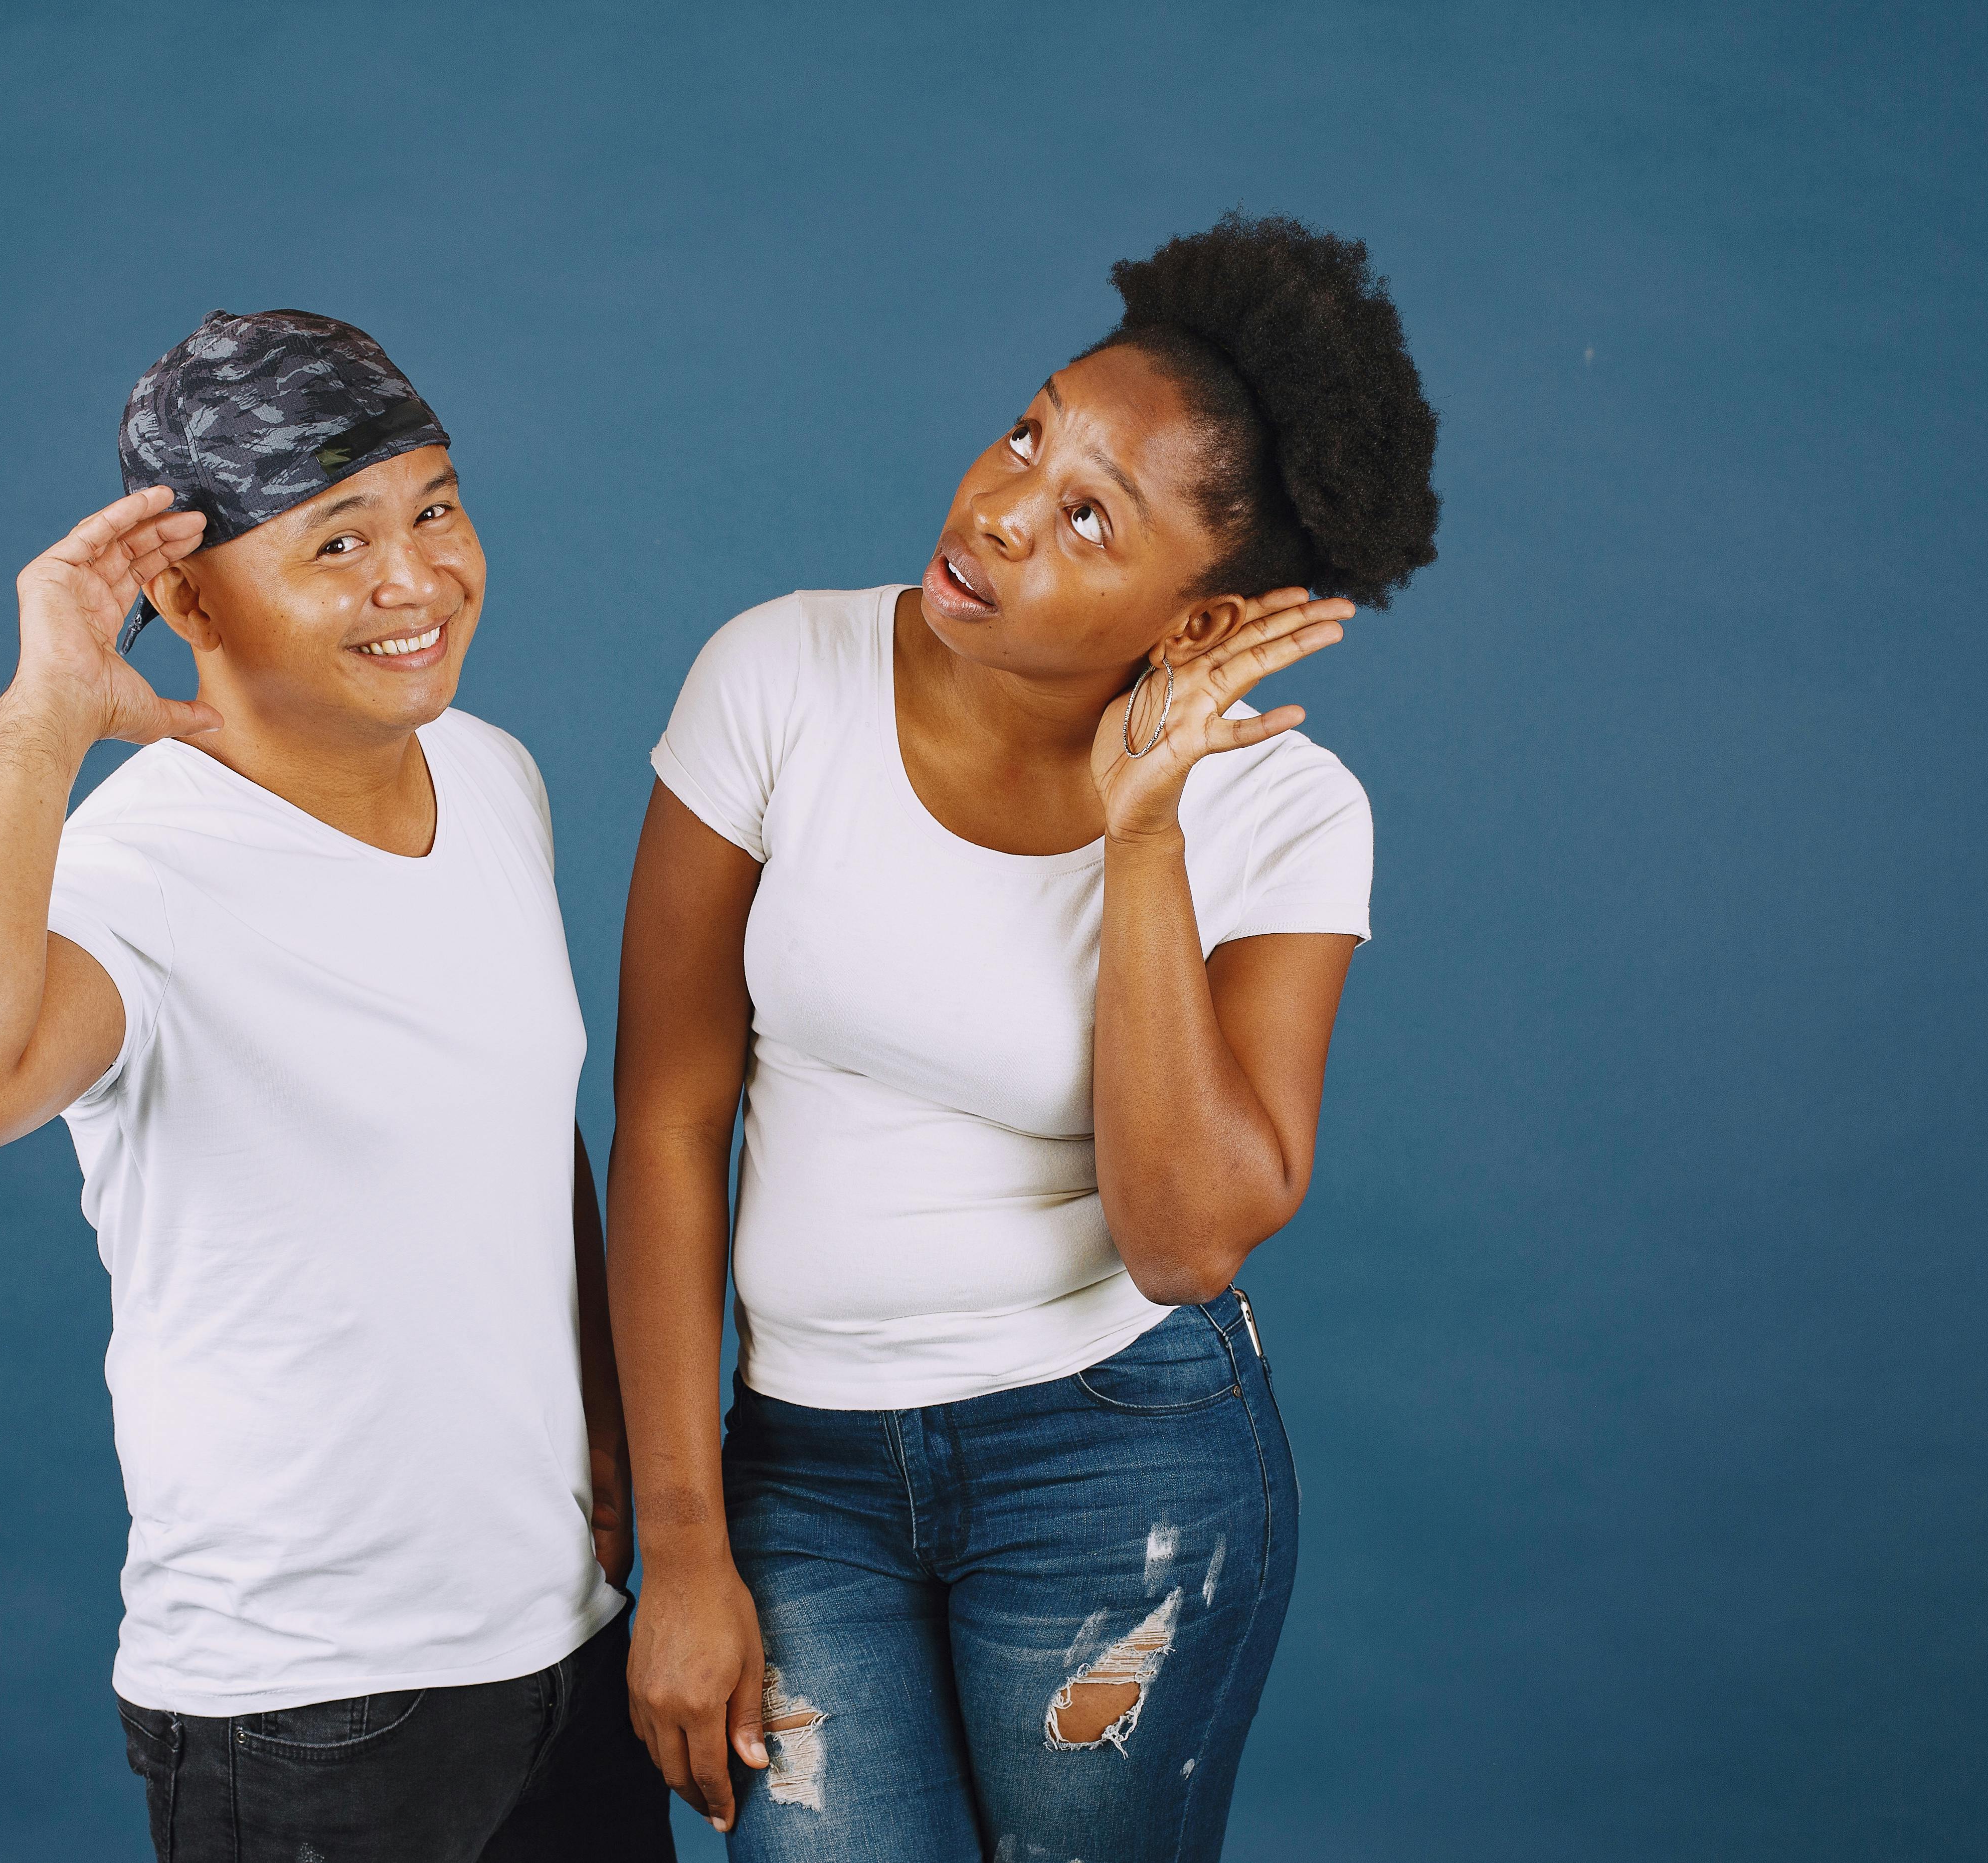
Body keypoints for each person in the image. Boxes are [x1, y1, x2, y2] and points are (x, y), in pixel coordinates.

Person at [607, 215, 1442, 1858]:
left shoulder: (1284, 816)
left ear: (1197, 625)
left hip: (1117, 1467)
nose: (998, 507)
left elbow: (1189, 1233)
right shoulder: (779, 677)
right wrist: (686, 1548)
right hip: (802, 1473)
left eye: (1085, 516)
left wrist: (1145, 836)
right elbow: (665, 1121)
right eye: (1027, 431)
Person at [0, 309, 671, 1863]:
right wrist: (46, 714)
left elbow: (519, 1130)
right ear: (184, 590)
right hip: (311, 1712)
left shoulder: (495, 777)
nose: (416, 577)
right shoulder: (133, 879)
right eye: (338, 542)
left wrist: (612, 1442)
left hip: (561, 1643)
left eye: (435, 507)